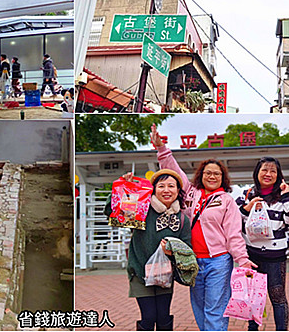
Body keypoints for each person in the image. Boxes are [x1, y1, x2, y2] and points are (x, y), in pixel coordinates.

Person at [150, 124, 255, 331]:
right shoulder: (190, 192)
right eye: (208, 173)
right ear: (201, 175)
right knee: (198, 306)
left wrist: (242, 260)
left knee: (215, 307)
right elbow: (173, 170)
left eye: (217, 174)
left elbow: (233, 235)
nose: (212, 176)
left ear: (223, 178)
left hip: (219, 261)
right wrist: (161, 149)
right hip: (192, 261)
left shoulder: (226, 200)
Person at [104, 169, 192, 331]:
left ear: (178, 191)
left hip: (165, 275)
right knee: (149, 316)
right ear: (154, 189)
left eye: (171, 186)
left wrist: (173, 251)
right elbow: (112, 213)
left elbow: (188, 249)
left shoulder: (182, 219)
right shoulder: (141, 210)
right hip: (140, 273)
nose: (166, 190)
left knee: (164, 317)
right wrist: (124, 186)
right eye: (161, 186)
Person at [235, 157, 289, 331]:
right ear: (257, 172)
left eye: (273, 171)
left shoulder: (284, 197)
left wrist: (286, 195)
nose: (268, 174)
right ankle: (252, 329)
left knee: (278, 297)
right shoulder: (246, 195)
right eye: (264, 170)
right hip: (252, 256)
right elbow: (234, 221)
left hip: (275, 258)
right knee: (253, 297)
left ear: (279, 175)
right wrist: (247, 207)